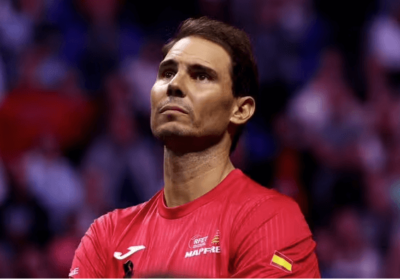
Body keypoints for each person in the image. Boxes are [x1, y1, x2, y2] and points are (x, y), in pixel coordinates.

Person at [70, 17, 320, 278]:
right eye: (167, 73)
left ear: (239, 110)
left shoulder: (272, 220)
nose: (175, 86)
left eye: (201, 76)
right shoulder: (105, 234)